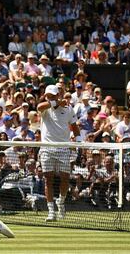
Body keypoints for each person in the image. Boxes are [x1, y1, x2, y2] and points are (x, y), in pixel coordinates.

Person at [37, 84, 80, 222]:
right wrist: (55, 102)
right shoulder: (44, 108)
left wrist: (79, 142)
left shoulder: (68, 108)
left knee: (65, 178)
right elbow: (39, 107)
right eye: (48, 96)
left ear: (57, 94)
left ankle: (60, 202)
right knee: (48, 179)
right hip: (47, 149)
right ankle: (51, 212)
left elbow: (74, 126)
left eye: (53, 95)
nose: (50, 97)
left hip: (63, 149)